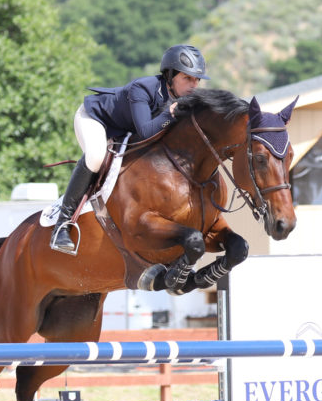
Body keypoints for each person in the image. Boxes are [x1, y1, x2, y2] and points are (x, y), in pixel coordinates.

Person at [50, 44, 210, 253]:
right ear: (170, 75)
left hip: (125, 131)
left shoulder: (184, 100)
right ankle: (62, 225)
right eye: (187, 78)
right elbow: (145, 131)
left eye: (196, 80)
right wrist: (170, 114)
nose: (193, 85)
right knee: (96, 157)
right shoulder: (143, 88)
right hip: (96, 119)